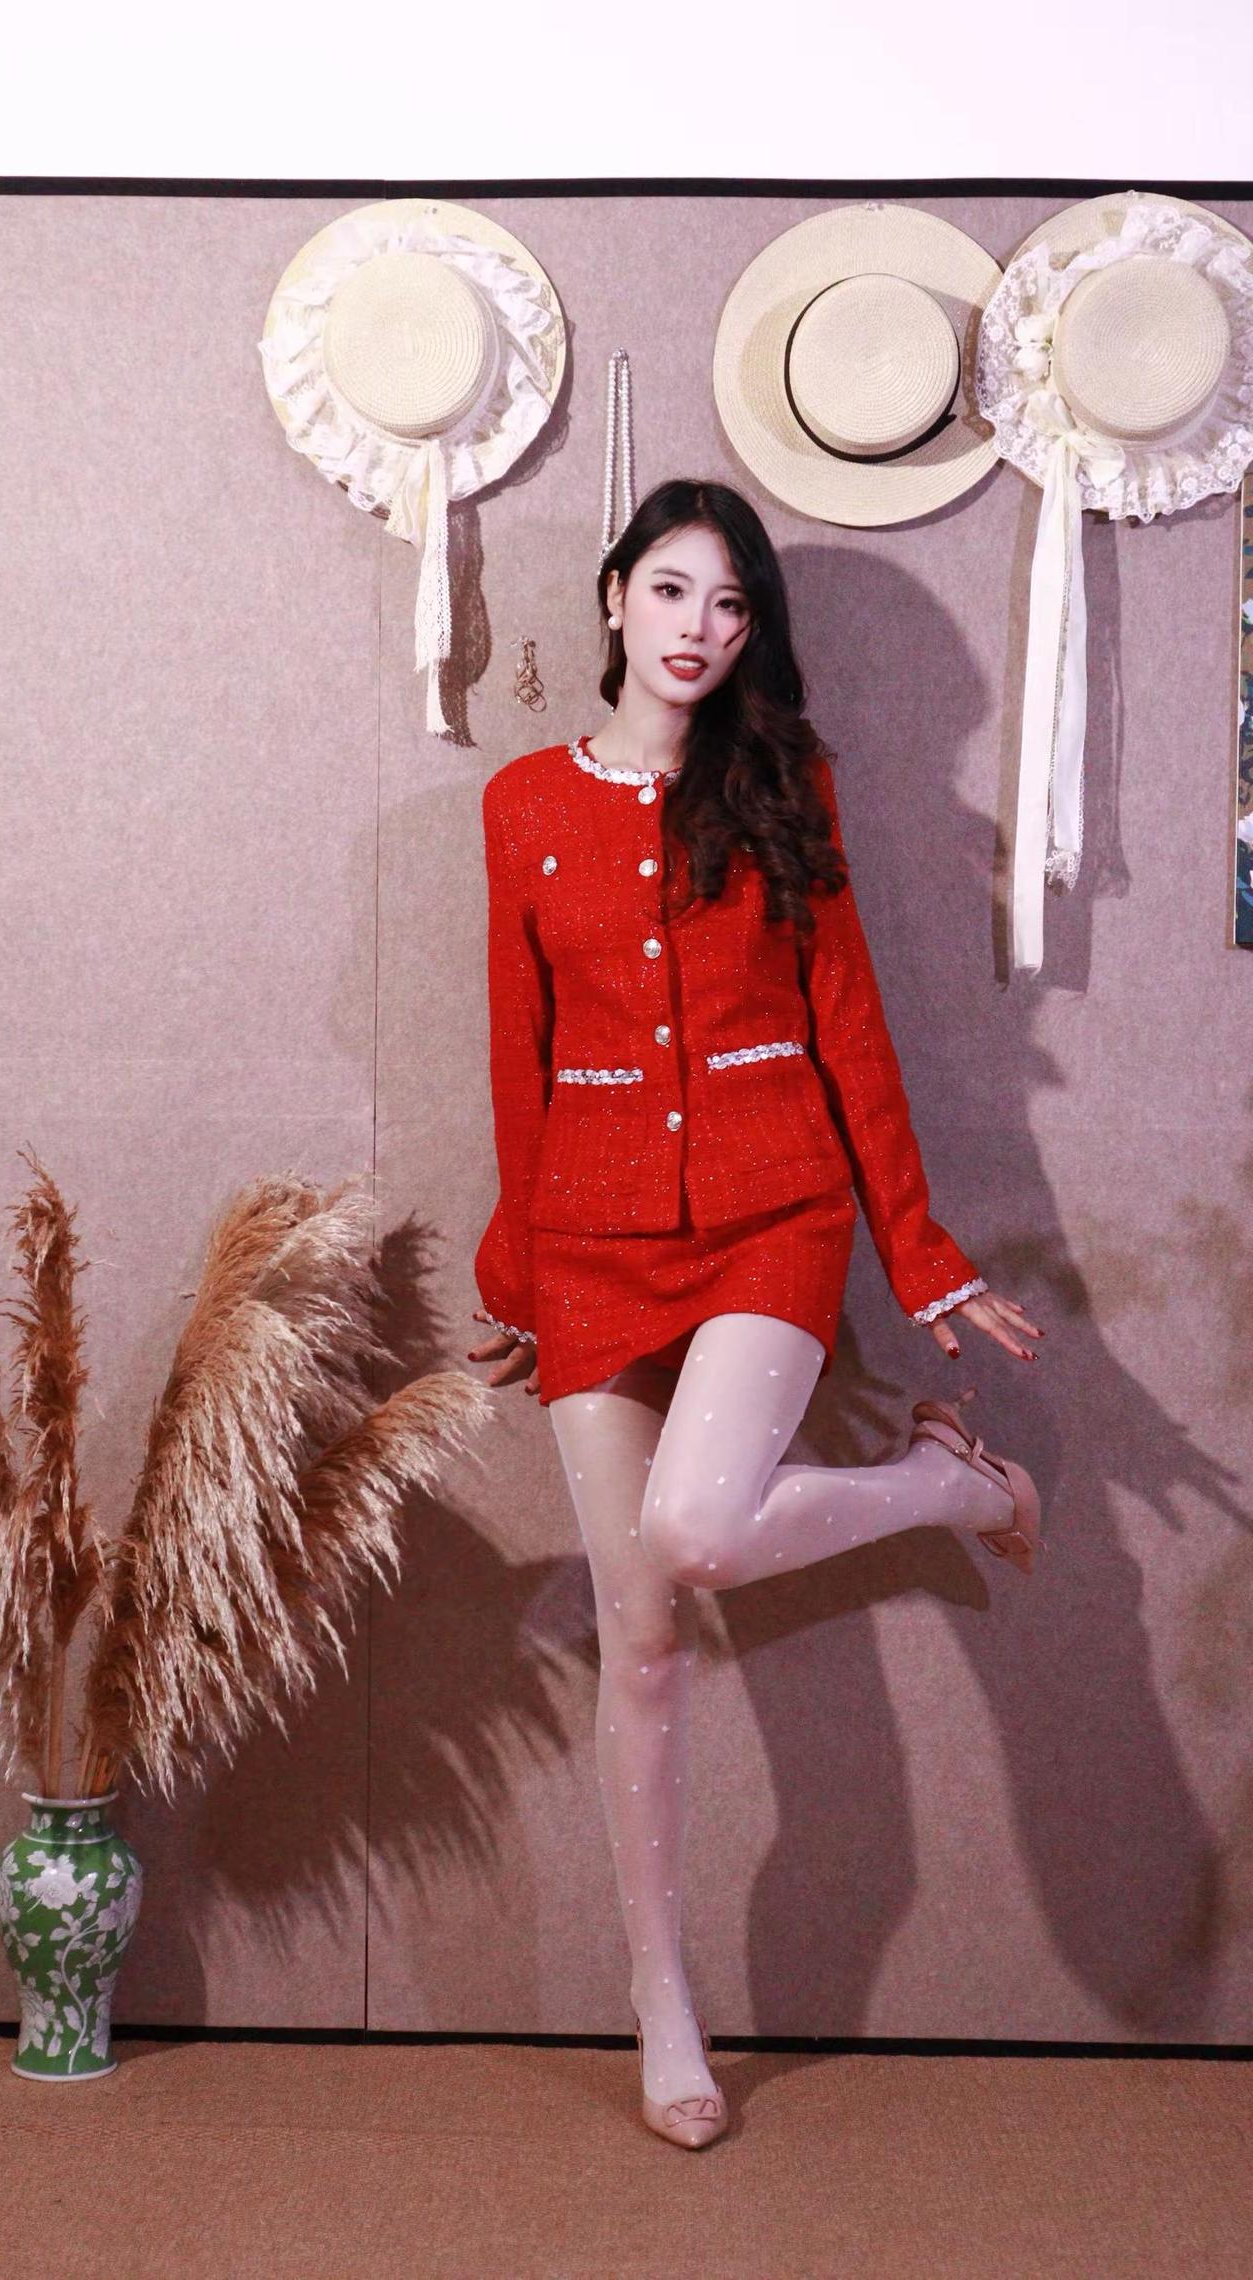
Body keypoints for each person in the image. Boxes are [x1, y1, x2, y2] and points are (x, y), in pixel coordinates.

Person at [468, 477, 1045, 2149]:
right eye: (672, 591)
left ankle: (946, 1485)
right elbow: (517, 1047)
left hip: (772, 1217)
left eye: (731, 604)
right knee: (643, 1635)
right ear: (613, 600)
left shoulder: (788, 786)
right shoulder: (521, 806)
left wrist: (920, 1253)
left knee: (699, 1531)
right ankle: (664, 2003)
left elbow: (850, 1026)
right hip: (588, 1242)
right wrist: (519, 1270)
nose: (701, 629)